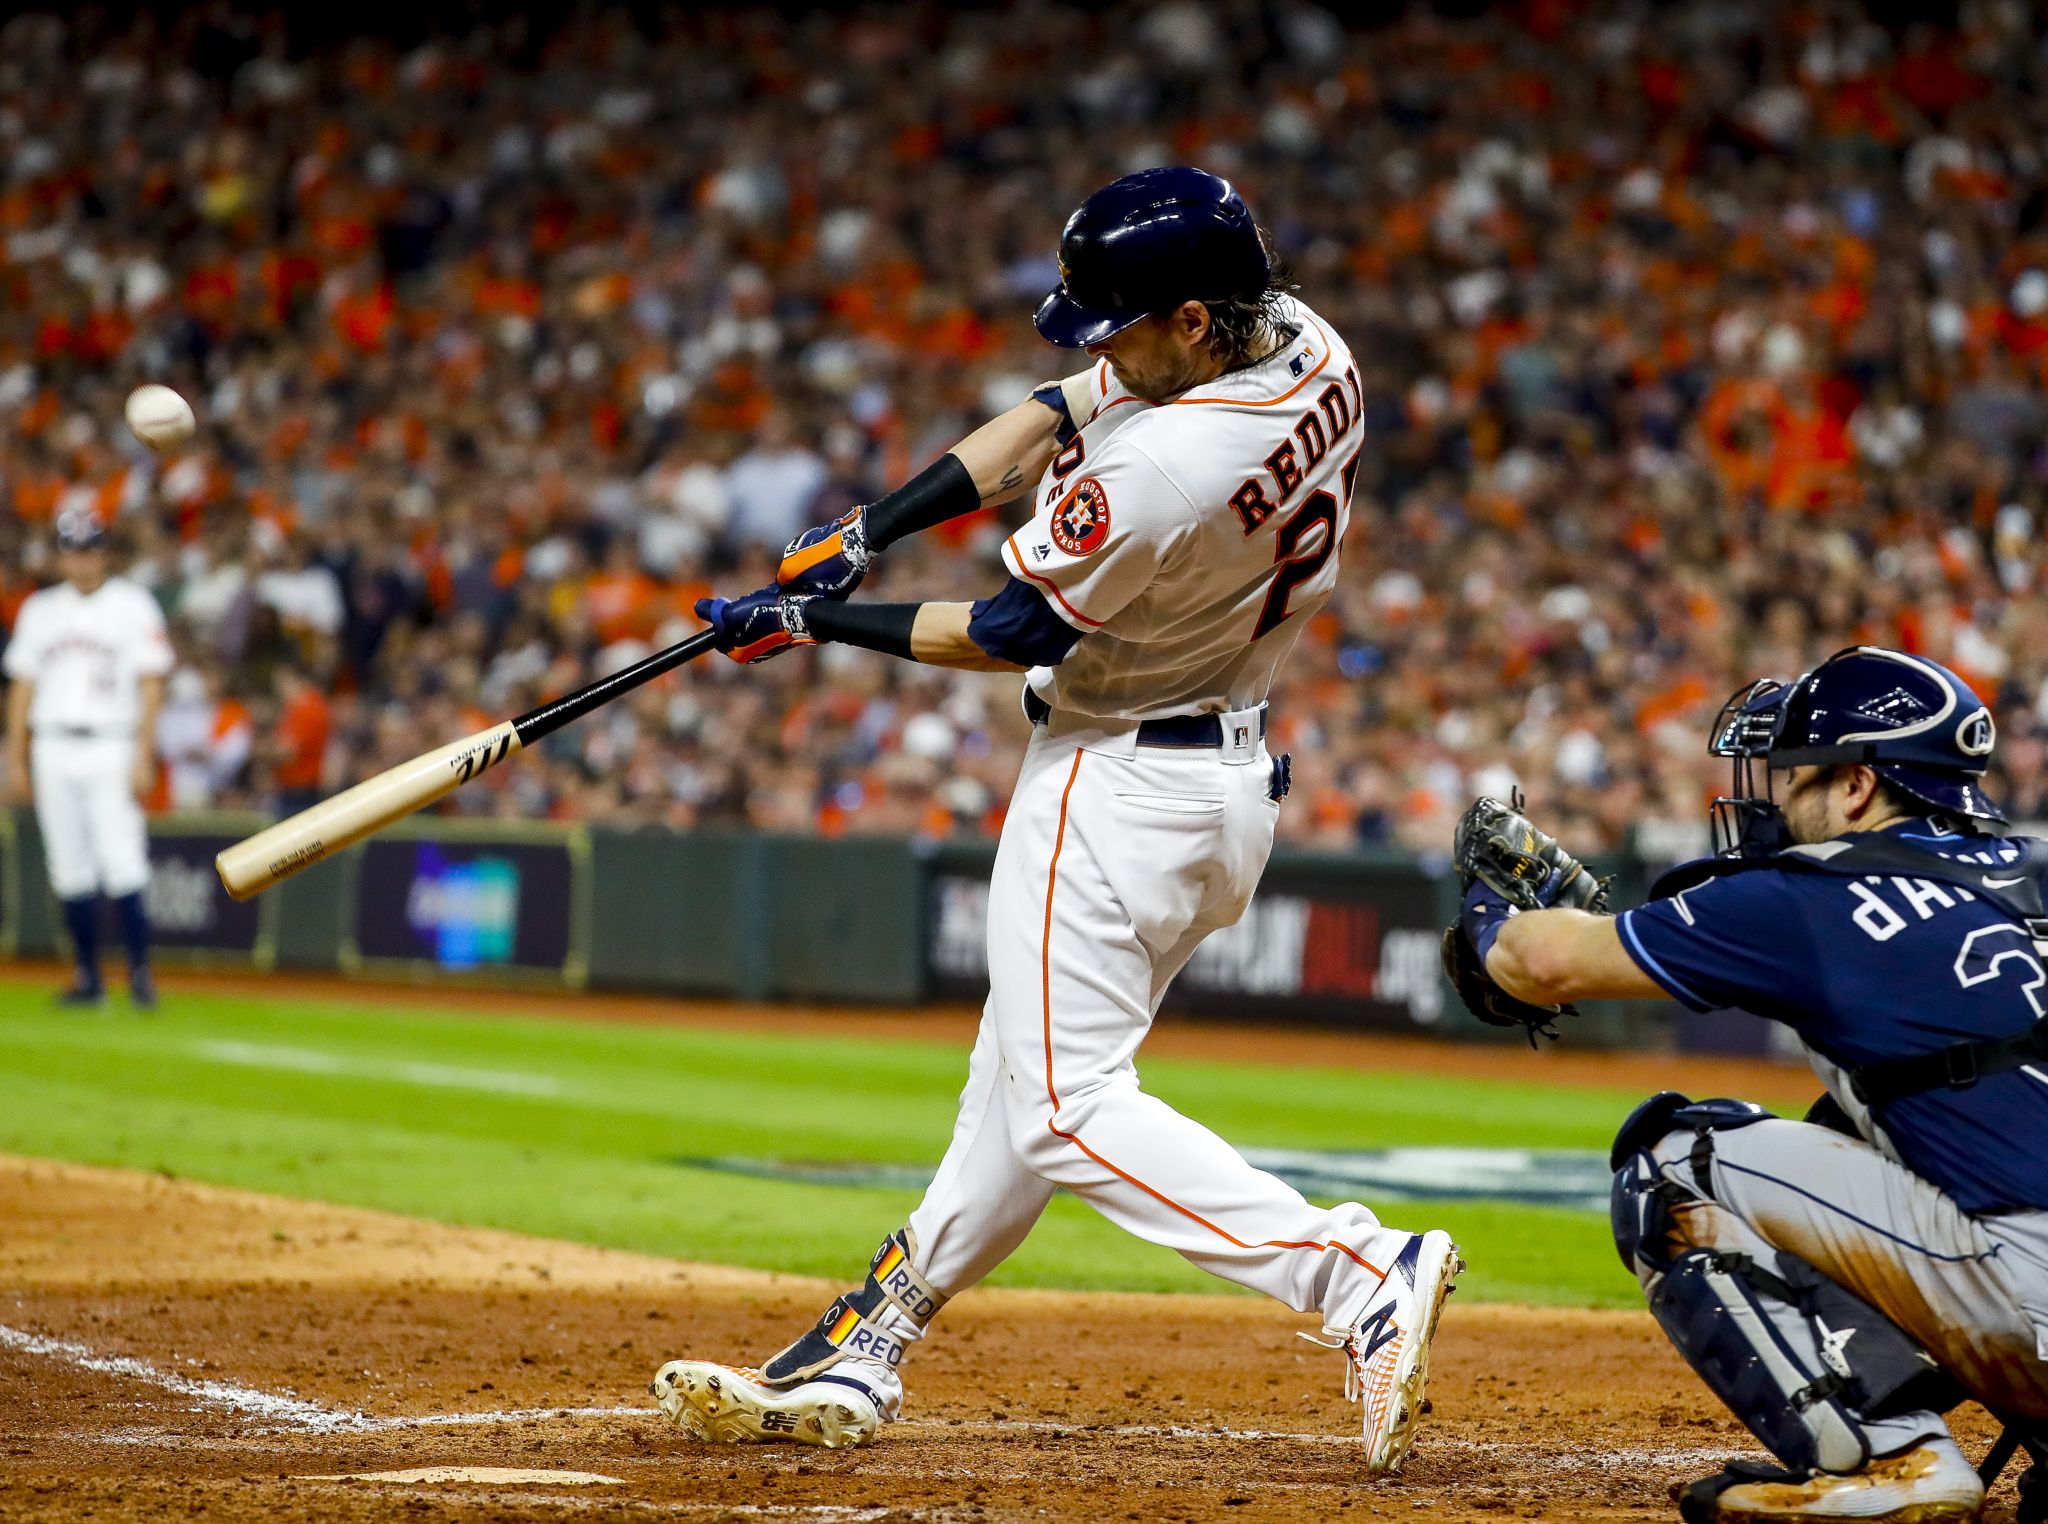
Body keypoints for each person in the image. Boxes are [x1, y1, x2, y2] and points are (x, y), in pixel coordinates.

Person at [650, 167, 1462, 1470]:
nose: (1104, 348)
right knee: (1022, 1073)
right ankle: (876, 1336)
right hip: (1220, 784)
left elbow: (1005, 629)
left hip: (1114, 778)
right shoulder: (1307, 346)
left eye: (1125, 323)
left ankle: (1355, 1271)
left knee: (1062, 1107)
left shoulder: (1167, 464)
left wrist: (814, 618)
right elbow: (1051, 409)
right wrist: (873, 528)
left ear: (1196, 319)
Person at [1443, 645, 2048, 1523]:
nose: (1772, 797)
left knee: (1675, 1159)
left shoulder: (1814, 894)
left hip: (2028, 1288)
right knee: (1851, 1121)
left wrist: (1493, 911)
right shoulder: (2029, 872)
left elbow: (1538, 964)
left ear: (1856, 788)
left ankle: (1896, 1462)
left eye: (1793, 774)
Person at [4, 509, 174, 1009]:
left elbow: (151, 683)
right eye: (73, 549)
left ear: (105, 552)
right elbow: (22, 687)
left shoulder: (133, 604)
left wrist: (143, 752)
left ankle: (141, 975)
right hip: (53, 743)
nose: (82, 559)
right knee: (69, 867)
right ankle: (88, 978)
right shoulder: (40, 610)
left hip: (112, 743)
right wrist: (16, 758)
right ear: (61, 555)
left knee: (123, 859)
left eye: (91, 548)